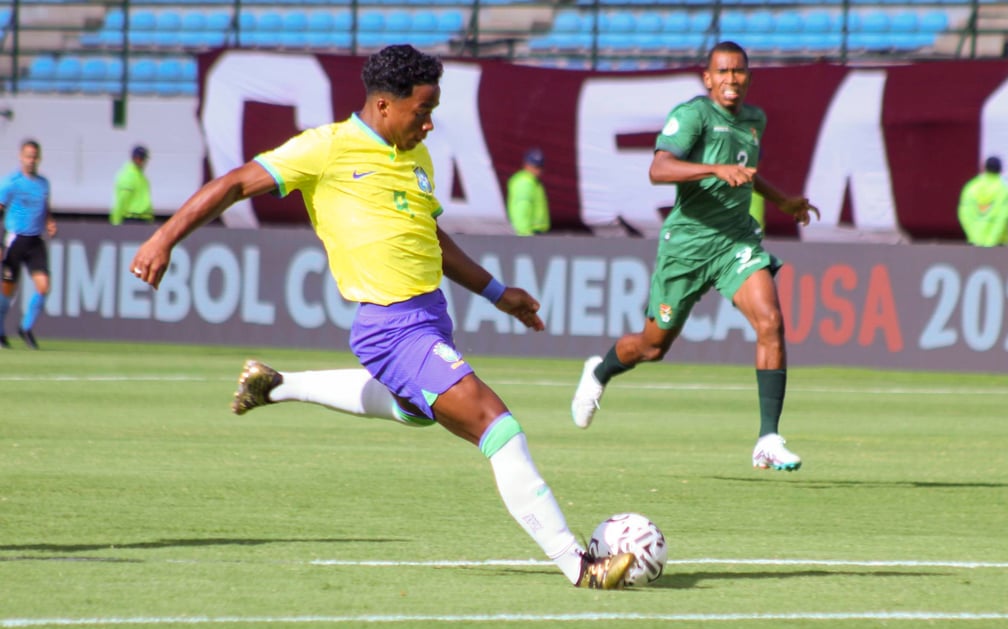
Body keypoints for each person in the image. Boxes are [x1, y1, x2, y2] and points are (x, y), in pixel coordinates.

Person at [129, 45, 634, 589]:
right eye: (423, 111)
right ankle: (579, 566)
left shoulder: (417, 157)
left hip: (430, 315)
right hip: (393, 327)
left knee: (414, 410)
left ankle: (275, 385)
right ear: (384, 105)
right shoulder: (325, 148)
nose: (429, 124)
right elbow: (232, 183)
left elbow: (429, 235)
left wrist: (495, 292)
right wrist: (163, 239)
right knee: (499, 428)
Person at [570, 41, 820, 472]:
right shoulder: (693, 115)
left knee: (771, 322)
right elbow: (659, 168)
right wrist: (714, 169)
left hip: (735, 243)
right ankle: (599, 371)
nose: (731, 79)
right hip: (687, 245)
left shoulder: (754, 121)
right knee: (652, 347)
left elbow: (745, 174)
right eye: (722, 72)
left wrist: (783, 200)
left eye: (738, 71)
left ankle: (768, 438)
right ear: (708, 78)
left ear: (749, 77)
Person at [0, 139, 57, 350]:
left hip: (35, 240)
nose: (31, 160)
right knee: (7, 290)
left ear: (39, 158)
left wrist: (49, 222)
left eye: (34, 156)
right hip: (15, 239)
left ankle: (25, 328)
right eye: (28, 156)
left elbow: (45, 208)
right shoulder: (10, 183)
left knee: (44, 286)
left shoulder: (43, 183)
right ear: (21, 157)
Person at [957, 156, 1008, 247]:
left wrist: (974, 237)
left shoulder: (971, 187)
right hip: (997, 244)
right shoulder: (1004, 190)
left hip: (975, 241)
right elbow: (1003, 218)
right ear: (1001, 170)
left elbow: (964, 214)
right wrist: (991, 241)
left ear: (983, 168)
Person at [506, 147, 549, 236]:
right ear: (526, 165)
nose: (538, 171)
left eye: (540, 167)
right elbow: (522, 208)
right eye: (535, 167)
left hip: (535, 231)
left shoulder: (533, 182)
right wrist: (525, 233)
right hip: (530, 232)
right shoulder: (525, 183)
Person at [110, 145, 154, 225]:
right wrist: (115, 222)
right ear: (135, 158)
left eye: (144, 159)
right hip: (133, 219)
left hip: (143, 219)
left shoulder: (140, 176)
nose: (144, 162)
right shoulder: (128, 176)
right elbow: (122, 199)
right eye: (142, 159)